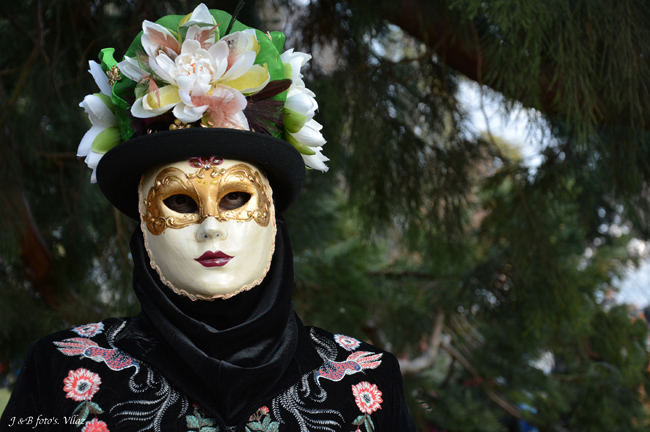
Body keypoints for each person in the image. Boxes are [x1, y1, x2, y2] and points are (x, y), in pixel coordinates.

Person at [0, 4, 416, 431]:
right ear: (143, 225)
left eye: (236, 197)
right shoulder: (60, 372)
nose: (211, 227)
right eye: (179, 201)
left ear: (273, 219)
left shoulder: (366, 382)